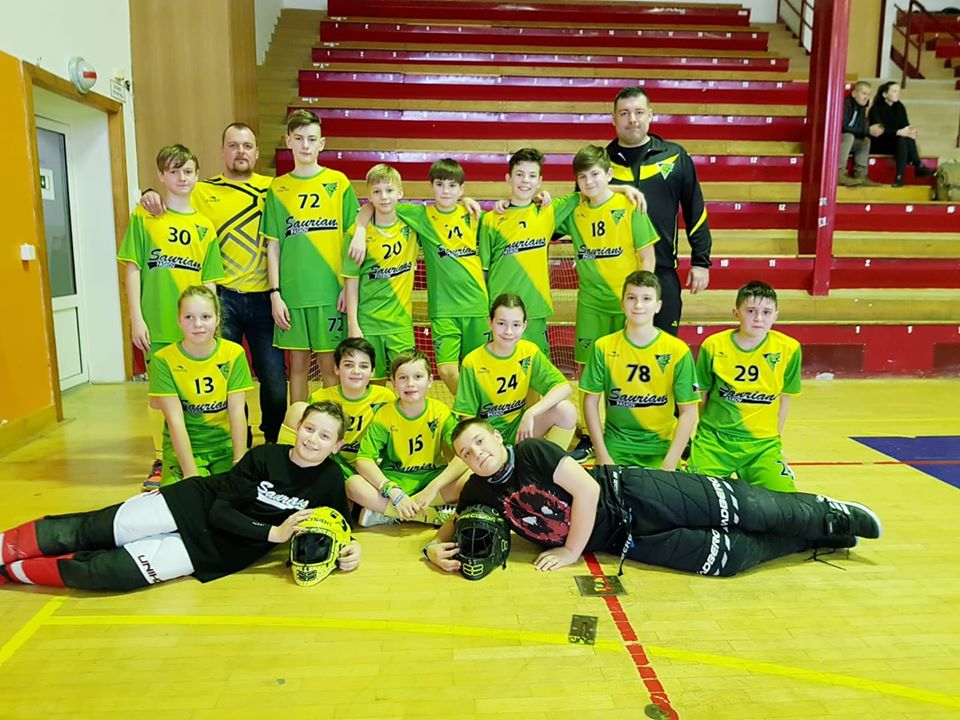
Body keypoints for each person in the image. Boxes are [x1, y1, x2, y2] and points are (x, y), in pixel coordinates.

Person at [421, 419, 882, 577]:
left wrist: (570, 551)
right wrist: (431, 550)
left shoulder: (532, 452)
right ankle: (814, 539)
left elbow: (588, 489)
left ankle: (830, 513)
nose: (477, 454)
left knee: (743, 508)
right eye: (466, 453)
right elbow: (452, 523)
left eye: (479, 442)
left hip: (631, 492)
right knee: (726, 559)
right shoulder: (478, 489)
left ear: (496, 437)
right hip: (622, 540)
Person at [0, 401, 361, 591]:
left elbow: (339, 527)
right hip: (191, 504)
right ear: (297, 428)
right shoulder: (265, 456)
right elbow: (220, 511)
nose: (313, 440)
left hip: (218, 549)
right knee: (92, 529)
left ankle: (12, 573)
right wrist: (274, 533)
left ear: (337, 445)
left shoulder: (329, 479)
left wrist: (351, 551)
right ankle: (5, 547)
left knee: (110, 573)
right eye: (309, 428)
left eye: (324, 436)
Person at [141, 123, 287, 444]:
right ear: (222, 152)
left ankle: (273, 443)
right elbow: (169, 198)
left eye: (247, 146)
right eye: (233, 145)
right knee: (226, 378)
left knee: (275, 381)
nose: (240, 152)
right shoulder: (202, 190)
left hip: (267, 300)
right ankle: (239, 440)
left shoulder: (275, 188)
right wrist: (147, 193)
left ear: (257, 153)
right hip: (222, 299)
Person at [118, 144, 225, 488]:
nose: (182, 178)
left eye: (188, 171)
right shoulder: (144, 217)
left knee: (192, 391)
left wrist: (212, 322)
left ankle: (192, 452)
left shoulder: (205, 226)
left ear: (197, 176)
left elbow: (209, 281)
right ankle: (161, 459)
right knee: (159, 396)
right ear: (161, 176)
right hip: (158, 322)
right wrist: (136, 318)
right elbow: (133, 268)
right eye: (174, 171)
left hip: (195, 326)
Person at [349, 158, 487, 395]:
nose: (446, 191)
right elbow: (374, 204)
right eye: (440, 184)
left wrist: (469, 200)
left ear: (461, 189)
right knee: (447, 371)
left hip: (478, 304)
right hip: (443, 309)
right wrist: (360, 230)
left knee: (481, 370)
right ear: (431, 186)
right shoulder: (419, 215)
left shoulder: (473, 215)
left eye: (452, 186)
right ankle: (472, 407)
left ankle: (482, 412)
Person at [262, 110, 360, 401]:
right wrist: (275, 294)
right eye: (299, 138)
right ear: (288, 141)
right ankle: (298, 425)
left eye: (312, 139)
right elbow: (273, 246)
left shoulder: (338, 182)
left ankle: (330, 425)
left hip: (330, 292)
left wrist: (347, 287)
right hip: (293, 294)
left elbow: (353, 235)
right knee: (298, 368)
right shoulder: (278, 188)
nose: (305, 145)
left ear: (322, 143)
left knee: (331, 367)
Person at [607, 86, 712, 335]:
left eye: (639, 112)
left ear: (650, 115)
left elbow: (695, 209)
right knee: (613, 352)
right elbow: (580, 204)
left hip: (662, 273)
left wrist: (701, 261)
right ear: (614, 119)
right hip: (610, 275)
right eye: (624, 113)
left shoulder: (674, 156)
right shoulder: (599, 162)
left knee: (663, 350)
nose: (632, 119)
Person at [688, 281, 801, 492]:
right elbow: (701, 397)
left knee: (786, 501)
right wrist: (707, 434)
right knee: (695, 498)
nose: (758, 318)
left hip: (762, 446)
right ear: (736, 313)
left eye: (766, 312)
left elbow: (784, 399)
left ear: (775, 316)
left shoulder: (789, 349)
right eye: (751, 311)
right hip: (715, 442)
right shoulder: (713, 345)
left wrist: (774, 441)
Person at [580, 271, 700, 470]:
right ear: (622, 304)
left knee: (665, 491)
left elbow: (689, 411)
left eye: (646, 299)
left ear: (658, 306)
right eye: (631, 298)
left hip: (662, 447)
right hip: (617, 446)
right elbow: (590, 402)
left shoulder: (677, 351)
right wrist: (601, 453)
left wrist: (670, 462)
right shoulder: (603, 347)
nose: (638, 305)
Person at [348, 349, 467, 527]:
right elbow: (363, 460)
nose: (410, 384)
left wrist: (433, 488)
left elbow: (464, 454)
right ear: (393, 383)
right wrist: (392, 491)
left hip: (431, 480)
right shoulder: (384, 415)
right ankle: (430, 515)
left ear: (430, 381)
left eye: (418, 376)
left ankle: (389, 512)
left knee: (471, 476)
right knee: (353, 484)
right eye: (403, 378)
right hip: (397, 481)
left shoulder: (440, 411)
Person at [148, 286, 253, 485]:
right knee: (190, 499)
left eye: (205, 316)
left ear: (217, 319)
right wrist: (191, 475)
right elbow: (175, 420)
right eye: (189, 317)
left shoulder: (233, 354)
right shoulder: (163, 360)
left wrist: (239, 462)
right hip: (185, 451)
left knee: (236, 495)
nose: (198, 324)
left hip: (224, 447)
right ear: (179, 320)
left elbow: (237, 412)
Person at [454, 293, 577, 450]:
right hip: (487, 436)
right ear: (490, 322)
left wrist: (530, 413)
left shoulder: (529, 351)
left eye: (516, 325)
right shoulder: (472, 362)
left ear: (524, 326)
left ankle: (548, 462)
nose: (509, 331)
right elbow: (467, 418)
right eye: (501, 323)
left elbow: (564, 387)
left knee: (566, 411)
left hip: (519, 429)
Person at [343, 164, 417, 382]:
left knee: (406, 382)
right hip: (368, 323)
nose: (384, 197)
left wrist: (466, 201)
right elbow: (351, 282)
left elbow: (443, 212)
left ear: (400, 193)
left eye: (389, 190)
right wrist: (353, 324)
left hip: (400, 323)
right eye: (377, 191)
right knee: (372, 385)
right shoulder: (355, 235)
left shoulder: (412, 224)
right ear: (369, 196)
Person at [278, 337, 395, 475]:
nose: (356, 371)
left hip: (368, 465)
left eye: (363, 366)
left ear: (372, 371)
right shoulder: (320, 397)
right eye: (348, 365)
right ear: (337, 369)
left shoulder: (385, 397)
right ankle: (286, 471)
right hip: (330, 462)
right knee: (297, 409)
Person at [868, 81, 936, 188]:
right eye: (894, 91)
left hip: (897, 142)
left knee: (904, 139)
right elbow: (880, 131)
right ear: (885, 94)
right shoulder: (876, 109)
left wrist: (911, 131)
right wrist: (899, 132)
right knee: (902, 139)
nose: (898, 94)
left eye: (899, 91)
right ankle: (917, 165)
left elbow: (905, 125)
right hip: (880, 142)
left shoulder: (899, 106)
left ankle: (900, 176)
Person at [838, 81, 880, 187]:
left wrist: (868, 111)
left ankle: (861, 175)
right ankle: (838, 173)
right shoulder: (845, 104)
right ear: (854, 94)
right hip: (837, 139)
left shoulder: (861, 108)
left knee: (865, 141)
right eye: (864, 93)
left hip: (848, 140)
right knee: (849, 136)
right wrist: (867, 130)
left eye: (868, 94)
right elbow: (842, 127)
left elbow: (860, 130)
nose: (866, 97)